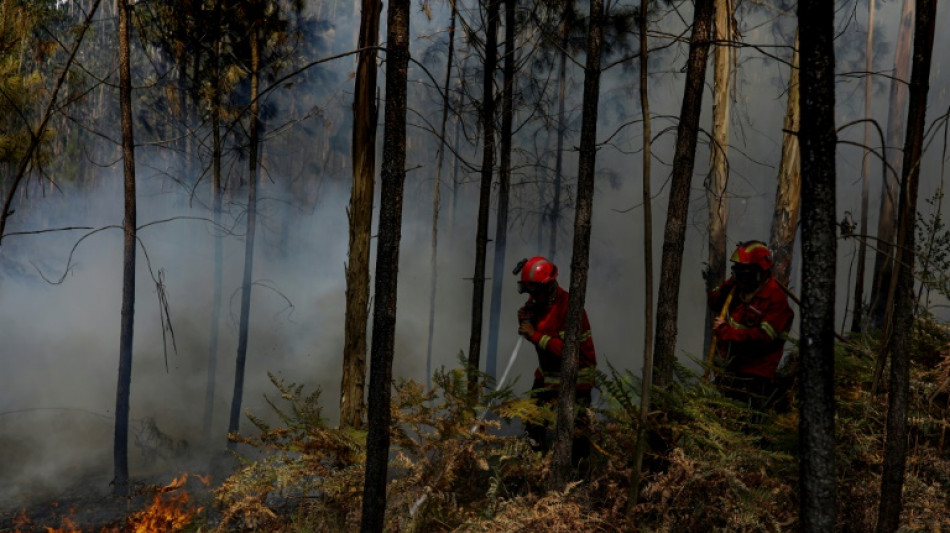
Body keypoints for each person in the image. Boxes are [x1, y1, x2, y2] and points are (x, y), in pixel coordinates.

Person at [513, 256, 597, 466]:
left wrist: (534, 334)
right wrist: (526, 322)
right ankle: (534, 473)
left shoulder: (569, 309)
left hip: (576, 379)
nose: (531, 296)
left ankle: (580, 481)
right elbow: (542, 343)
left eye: (535, 291)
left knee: (576, 434)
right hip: (547, 376)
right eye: (528, 291)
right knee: (532, 423)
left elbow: (568, 352)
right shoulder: (538, 304)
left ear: (549, 287)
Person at [708, 241, 794, 411]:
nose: (740, 278)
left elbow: (762, 338)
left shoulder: (776, 301)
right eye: (737, 272)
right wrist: (730, 283)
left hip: (756, 377)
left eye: (744, 273)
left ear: (758, 274)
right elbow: (714, 301)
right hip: (731, 368)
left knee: (747, 425)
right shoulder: (740, 289)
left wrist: (726, 331)